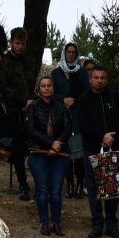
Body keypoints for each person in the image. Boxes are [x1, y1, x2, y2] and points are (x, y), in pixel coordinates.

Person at [76, 64, 119, 238]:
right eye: (96, 78)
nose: (99, 81)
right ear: (90, 79)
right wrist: (100, 136)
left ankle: (112, 225)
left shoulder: (114, 96)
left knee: (113, 188)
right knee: (94, 188)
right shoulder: (83, 100)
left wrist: (110, 135)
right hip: (92, 148)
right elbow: (83, 124)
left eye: (102, 78)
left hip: (112, 146)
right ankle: (97, 224)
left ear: (107, 79)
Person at [0, 27, 37, 201]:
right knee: (18, 149)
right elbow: (5, 89)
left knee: (35, 145)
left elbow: (33, 85)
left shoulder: (30, 62)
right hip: (13, 111)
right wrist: (22, 102)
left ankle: (41, 183)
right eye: (17, 43)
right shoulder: (4, 63)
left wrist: (32, 102)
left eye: (23, 43)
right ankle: (23, 185)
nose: (20, 46)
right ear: (11, 42)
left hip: (32, 109)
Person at [26, 74, 69, 236]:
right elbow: (31, 130)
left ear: (53, 88)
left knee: (56, 191)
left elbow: (67, 128)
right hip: (38, 153)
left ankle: (56, 223)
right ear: (39, 89)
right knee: (43, 190)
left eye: (49, 85)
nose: (46, 88)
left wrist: (57, 145)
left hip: (60, 154)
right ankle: (44, 223)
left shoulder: (61, 107)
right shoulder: (33, 107)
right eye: (43, 86)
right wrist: (50, 143)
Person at [51, 43, 86, 197]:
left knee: (78, 155)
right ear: (64, 54)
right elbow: (52, 93)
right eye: (68, 52)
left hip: (78, 117)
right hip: (61, 116)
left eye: (73, 52)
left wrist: (75, 101)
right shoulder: (56, 73)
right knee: (65, 154)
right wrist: (63, 99)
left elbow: (86, 92)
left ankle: (79, 185)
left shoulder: (81, 72)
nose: (71, 55)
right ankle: (70, 185)